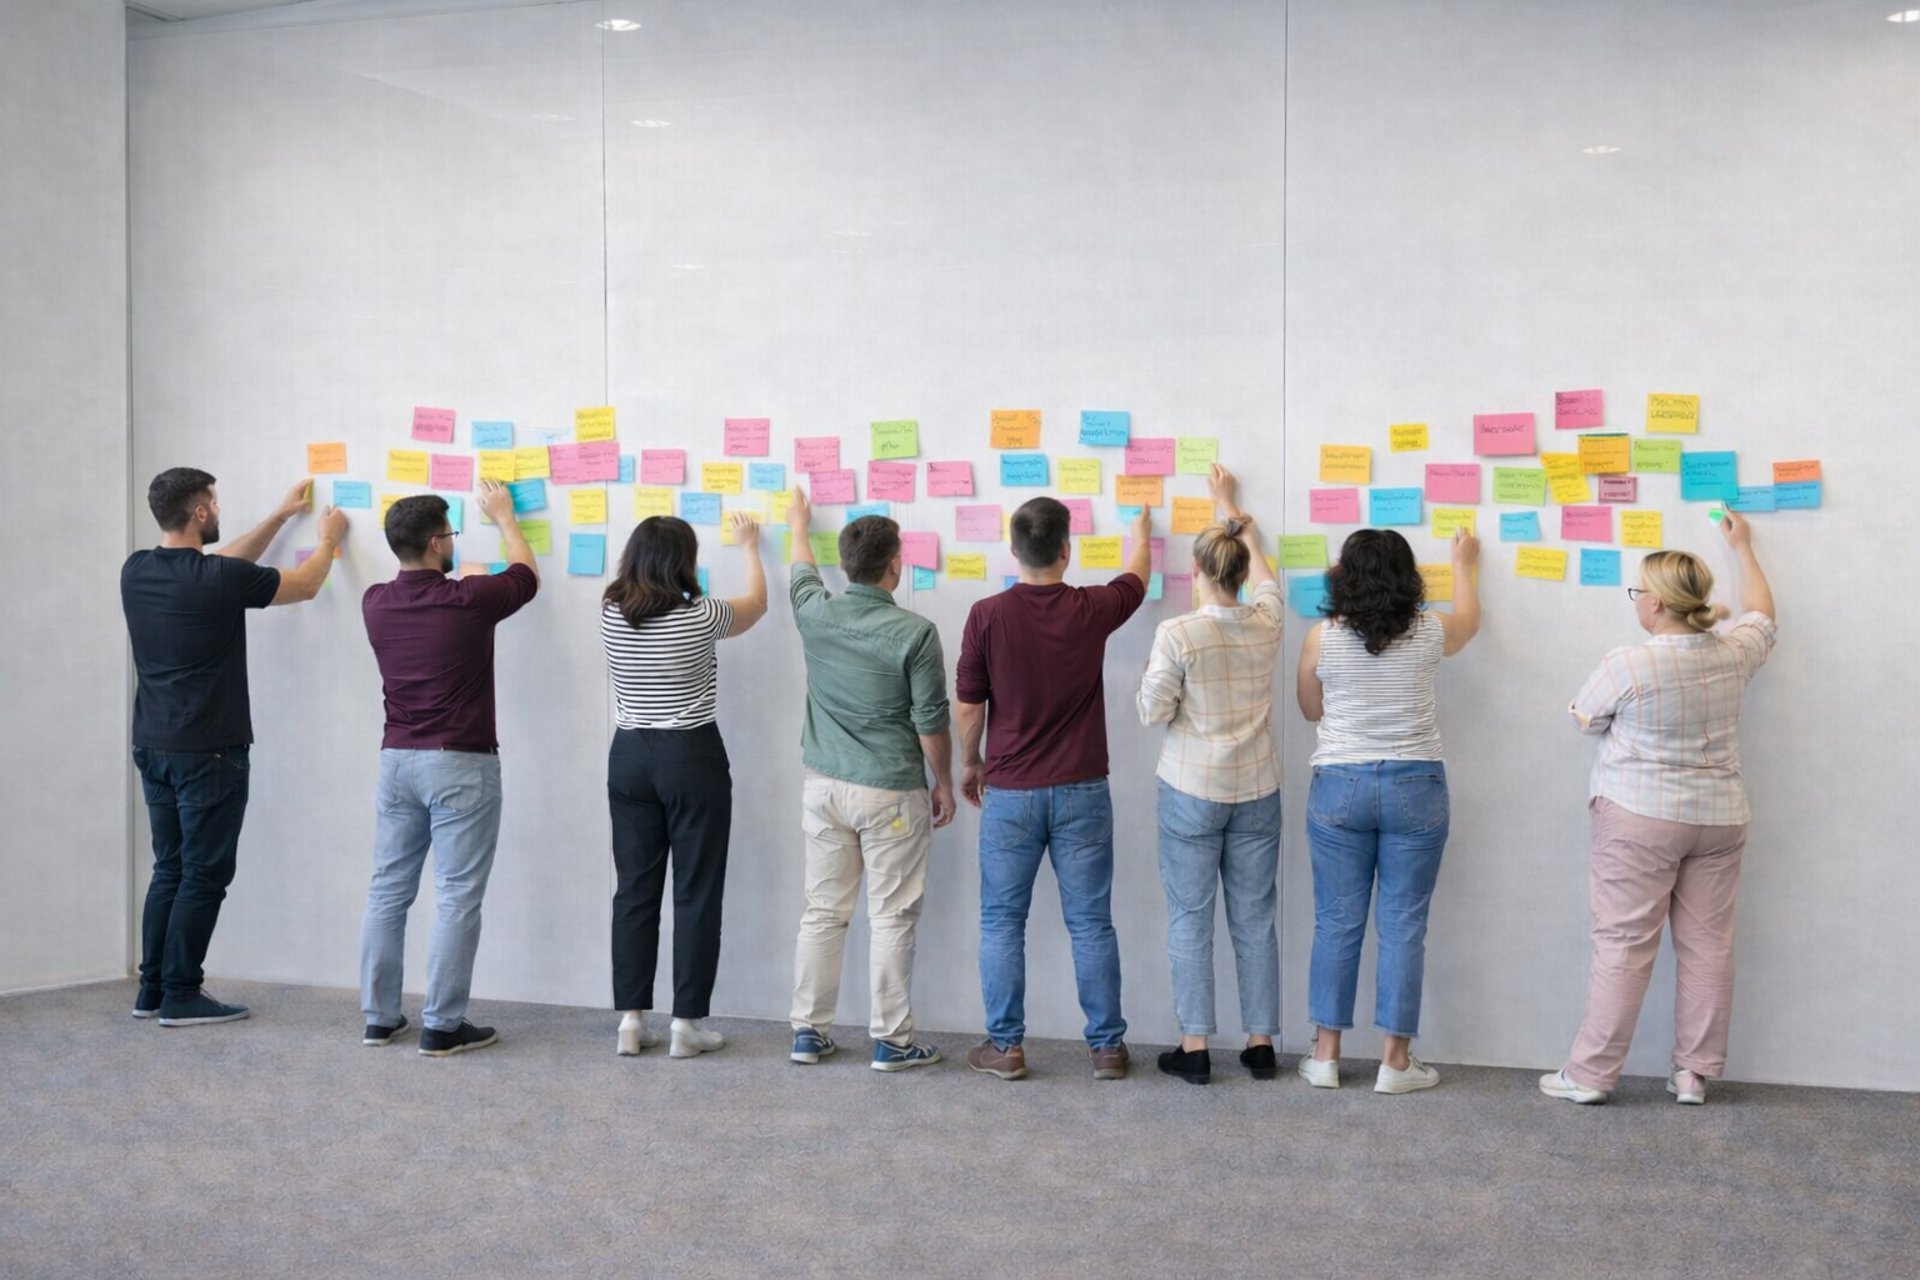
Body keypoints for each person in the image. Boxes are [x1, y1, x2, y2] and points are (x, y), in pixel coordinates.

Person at [1540, 511, 1776, 1107]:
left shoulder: (1630, 662)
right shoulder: (1733, 654)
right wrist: (1743, 549)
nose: (1635, 601)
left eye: (1637, 591)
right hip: (1720, 817)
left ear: (1657, 605)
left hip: (1639, 817)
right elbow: (1764, 616)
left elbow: (1583, 716)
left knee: (1623, 942)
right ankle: (1694, 1075)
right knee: (1709, 944)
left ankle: (1591, 1074)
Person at [122, 470, 345, 1026]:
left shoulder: (137, 570)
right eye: (214, 503)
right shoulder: (217, 579)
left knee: (169, 867)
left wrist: (277, 517)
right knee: (203, 873)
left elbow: (225, 568)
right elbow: (307, 584)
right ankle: (181, 994)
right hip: (210, 750)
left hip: (154, 744)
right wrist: (327, 541)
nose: (219, 510)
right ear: (200, 513)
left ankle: (153, 990)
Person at [956, 498, 1152, 1082]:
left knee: (1000, 922)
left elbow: (969, 708)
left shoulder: (986, 614)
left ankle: (1007, 1048)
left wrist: (971, 764)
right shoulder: (1092, 607)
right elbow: (1135, 578)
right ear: (1066, 550)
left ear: (1013, 551)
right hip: (1083, 791)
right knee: (1091, 922)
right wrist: (1140, 529)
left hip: (1011, 793)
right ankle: (1107, 1048)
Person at [1295, 525, 1479, 1094]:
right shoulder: (1430, 630)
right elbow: (1470, 624)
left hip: (1340, 785)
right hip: (1415, 784)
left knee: (1336, 922)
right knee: (1403, 925)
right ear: (1408, 578)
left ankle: (1325, 1056)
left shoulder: (1321, 636)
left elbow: (1309, 710)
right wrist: (1465, 563)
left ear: (1342, 577)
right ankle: (1395, 1063)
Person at [357, 482, 537, 1056]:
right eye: (452, 535)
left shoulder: (375, 602)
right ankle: (441, 1023)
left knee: (388, 890)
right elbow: (526, 576)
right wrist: (506, 519)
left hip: (396, 761)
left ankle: (380, 1018)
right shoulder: (468, 600)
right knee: (457, 895)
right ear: (438, 542)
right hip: (460, 762)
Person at [784, 490, 955, 1072]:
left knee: (823, 912)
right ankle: (892, 1042)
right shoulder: (916, 632)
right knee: (891, 915)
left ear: (845, 566)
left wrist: (796, 522)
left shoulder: (814, 611)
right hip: (890, 790)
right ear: (894, 565)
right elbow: (930, 721)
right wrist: (945, 783)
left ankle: (808, 1032)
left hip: (824, 786)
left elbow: (799, 568)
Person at [601, 511, 767, 1060]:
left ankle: (630, 1019)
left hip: (628, 754)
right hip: (689, 754)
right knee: (696, 890)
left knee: (634, 890)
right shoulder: (699, 616)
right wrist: (749, 547)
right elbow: (758, 605)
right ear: (684, 562)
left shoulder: (610, 612)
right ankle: (686, 1024)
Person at [1136, 465, 1283, 1086]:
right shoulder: (1268, 622)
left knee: (1189, 916)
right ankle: (1259, 1043)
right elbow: (1269, 578)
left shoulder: (1179, 632)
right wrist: (1233, 512)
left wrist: (1223, 512)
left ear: (1196, 575)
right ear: (1242, 574)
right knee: (1255, 915)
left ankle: (1194, 1046)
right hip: (1257, 790)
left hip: (1192, 790)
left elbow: (1151, 712)